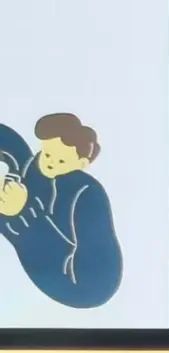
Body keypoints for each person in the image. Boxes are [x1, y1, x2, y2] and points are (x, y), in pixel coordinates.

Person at [0, 114, 123, 308]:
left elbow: (88, 274)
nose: (50, 163)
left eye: (62, 161)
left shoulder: (86, 193)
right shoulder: (32, 165)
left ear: (81, 164)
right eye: (48, 154)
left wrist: (22, 210)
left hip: (75, 280)